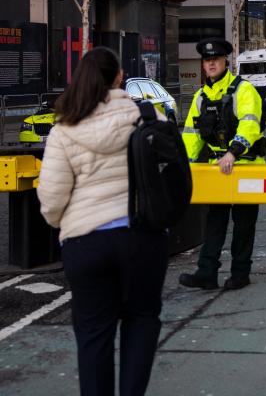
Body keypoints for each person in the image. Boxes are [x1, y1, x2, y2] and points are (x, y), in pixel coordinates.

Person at [38, 47, 168, 396]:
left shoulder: (64, 128)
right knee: (141, 320)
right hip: (140, 237)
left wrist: (67, 223)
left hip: (86, 242)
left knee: (94, 334)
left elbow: (51, 200)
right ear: (118, 78)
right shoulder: (146, 115)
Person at [180, 38, 266, 291]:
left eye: (215, 60)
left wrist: (233, 153)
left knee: (243, 223)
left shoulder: (244, 90)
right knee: (215, 221)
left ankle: (241, 273)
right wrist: (185, 165)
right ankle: (206, 273)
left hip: (247, 165)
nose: (211, 64)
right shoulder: (200, 97)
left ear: (225, 61)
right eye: (207, 61)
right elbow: (191, 136)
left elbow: (249, 125)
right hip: (218, 168)